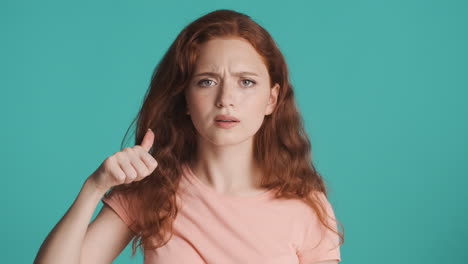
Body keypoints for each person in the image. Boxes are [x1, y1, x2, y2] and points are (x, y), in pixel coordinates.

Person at [34, 9, 344, 264]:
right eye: (207, 81)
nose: (226, 99)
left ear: (271, 100)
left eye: (246, 82)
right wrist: (93, 188)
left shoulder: (304, 205)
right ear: (184, 98)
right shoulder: (152, 192)